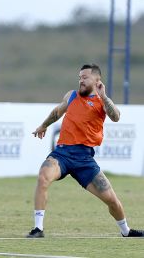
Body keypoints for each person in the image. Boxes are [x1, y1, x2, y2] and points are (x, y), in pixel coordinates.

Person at [26, 64, 144, 238]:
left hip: (85, 159)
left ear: (97, 81)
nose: (81, 80)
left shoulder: (102, 101)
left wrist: (103, 96)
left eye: (85, 77)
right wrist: (43, 125)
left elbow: (116, 116)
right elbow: (57, 111)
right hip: (62, 154)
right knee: (43, 177)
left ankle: (126, 231)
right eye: (80, 77)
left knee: (112, 200)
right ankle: (38, 229)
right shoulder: (72, 95)